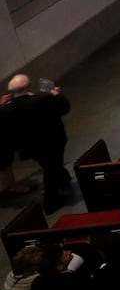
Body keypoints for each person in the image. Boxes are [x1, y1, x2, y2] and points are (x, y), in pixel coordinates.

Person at [7, 75, 72, 210]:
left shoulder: (5, 109)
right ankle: (50, 201)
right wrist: (57, 96)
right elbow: (64, 108)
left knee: (50, 164)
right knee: (51, 167)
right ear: (28, 86)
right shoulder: (44, 99)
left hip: (30, 146)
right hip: (53, 139)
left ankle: (64, 180)